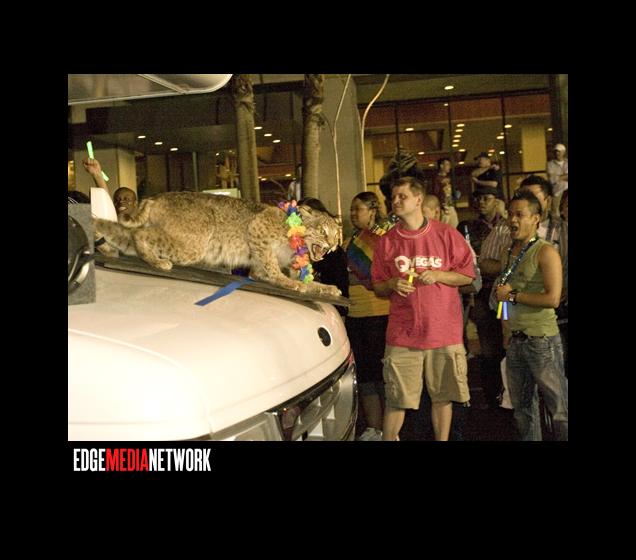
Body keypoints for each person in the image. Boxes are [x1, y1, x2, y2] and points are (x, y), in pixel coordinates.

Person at [371, 177, 475, 441]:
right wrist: (392, 284)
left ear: (418, 199)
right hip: (403, 335)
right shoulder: (387, 241)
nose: (395, 201)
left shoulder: (446, 234)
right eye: (393, 197)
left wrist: (439, 275)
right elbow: (378, 286)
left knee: (443, 397)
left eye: (402, 196)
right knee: (397, 399)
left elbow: (467, 276)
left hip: (444, 333)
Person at [494, 190, 568, 441]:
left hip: (541, 340)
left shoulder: (546, 252)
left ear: (536, 219)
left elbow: (553, 298)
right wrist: (505, 327)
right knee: (522, 410)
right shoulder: (507, 253)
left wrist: (513, 296)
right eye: (510, 214)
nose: (512, 220)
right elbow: (503, 296)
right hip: (515, 341)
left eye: (520, 215)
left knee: (559, 408)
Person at [344, 192, 394, 441]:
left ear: (373, 211)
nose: (353, 214)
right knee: (364, 375)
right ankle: (374, 427)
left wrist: (355, 277)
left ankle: (391, 428)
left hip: (378, 314)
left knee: (382, 376)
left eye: (358, 209)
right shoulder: (350, 241)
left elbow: (380, 276)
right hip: (355, 315)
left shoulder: (384, 240)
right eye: (352, 209)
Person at [458, 185, 507, 409]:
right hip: (482, 292)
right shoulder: (467, 226)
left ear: (497, 200)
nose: (481, 202)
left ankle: (508, 393)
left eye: (486, 198)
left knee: (507, 341)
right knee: (488, 346)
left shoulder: (507, 224)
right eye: (477, 198)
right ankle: (492, 396)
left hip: (505, 292)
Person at [297, 197, 349, 316]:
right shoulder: (295, 250)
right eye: (301, 217)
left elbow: (340, 290)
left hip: (328, 313)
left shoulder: (334, 253)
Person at [430, 158, 459, 228]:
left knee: (454, 224)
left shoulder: (449, 177)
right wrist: (440, 204)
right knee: (444, 224)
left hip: (450, 204)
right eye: (447, 164)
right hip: (443, 205)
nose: (449, 167)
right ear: (441, 166)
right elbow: (435, 192)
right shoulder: (436, 178)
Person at [547, 143, 568, 220]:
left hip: (566, 190)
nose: (557, 153)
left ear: (563, 152)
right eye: (556, 151)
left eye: (559, 151)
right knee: (556, 213)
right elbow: (552, 179)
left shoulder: (567, 162)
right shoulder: (550, 164)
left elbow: (556, 178)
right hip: (557, 191)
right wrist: (565, 176)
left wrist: (558, 177)